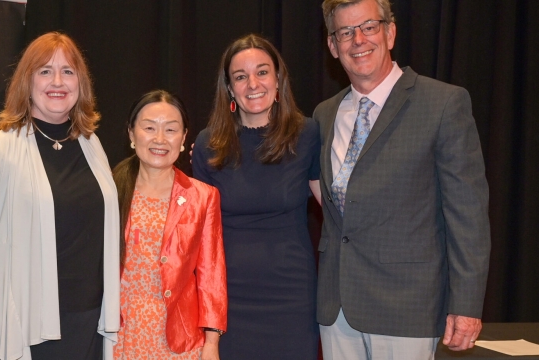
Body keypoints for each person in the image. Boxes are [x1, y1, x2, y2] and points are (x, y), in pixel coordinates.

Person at [314, 0, 491, 358]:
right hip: (337, 309)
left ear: (390, 32)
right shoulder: (324, 114)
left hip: (406, 309)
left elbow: (467, 216)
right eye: (345, 32)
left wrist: (467, 304)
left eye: (368, 27)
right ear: (333, 46)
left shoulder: (443, 104)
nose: (358, 40)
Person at [0, 32, 120, 360]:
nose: (57, 81)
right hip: (27, 326)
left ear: (80, 83)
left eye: (68, 71)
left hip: (89, 321)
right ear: (26, 81)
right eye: (45, 71)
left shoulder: (91, 145)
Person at [191, 34, 322, 359]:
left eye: (262, 72)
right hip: (230, 301)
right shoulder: (208, 144)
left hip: (291, 298)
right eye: (240, 76)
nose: (253, 84)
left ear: (278, 79)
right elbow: (201, 239)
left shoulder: (307, 135)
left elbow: (334, 211)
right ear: (229, 87)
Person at [112, 90, 227, 360]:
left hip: (177, 340)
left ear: (184, 137)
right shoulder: (109, 189)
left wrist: (211, 343)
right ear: (131, 134)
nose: (160, 139)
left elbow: (212, 277)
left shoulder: (203, 196)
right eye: (149, 128)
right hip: (118, 335)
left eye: (171, 129)